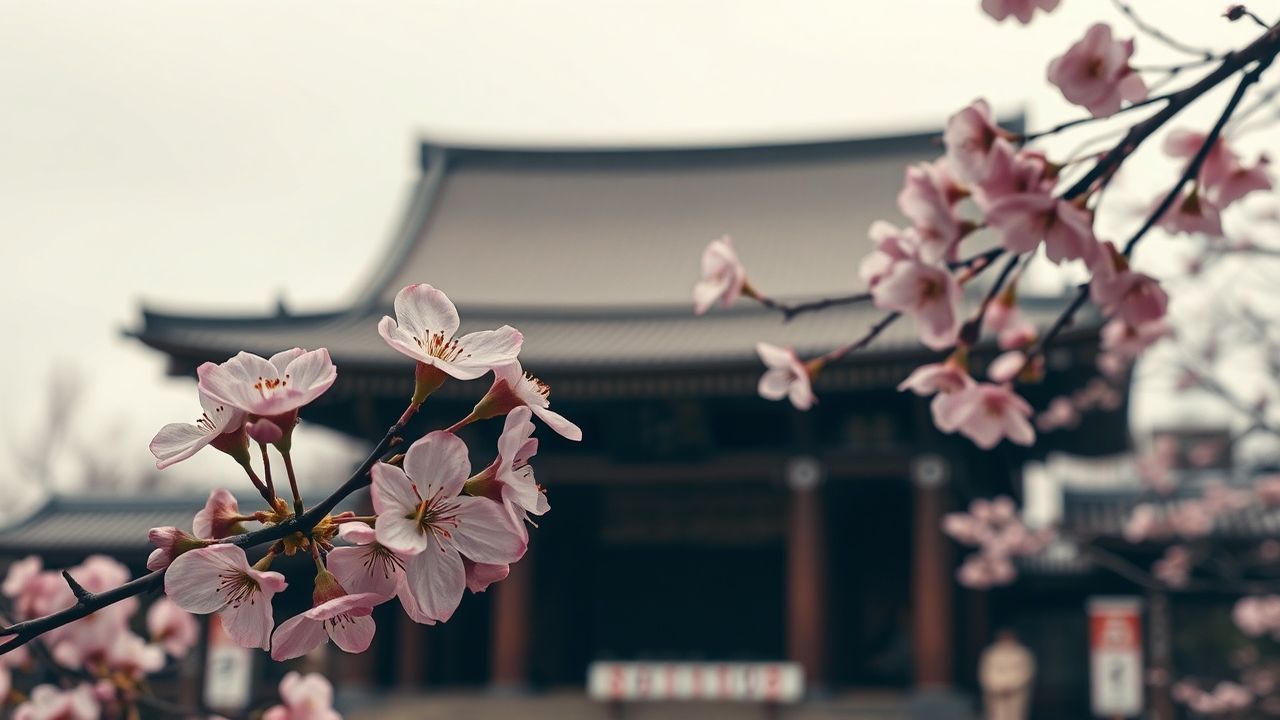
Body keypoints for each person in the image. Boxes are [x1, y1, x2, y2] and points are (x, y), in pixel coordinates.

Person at [979, 628, 1036, 720]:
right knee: (997, 716)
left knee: (1015, 716)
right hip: (996, 693)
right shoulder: (991, 653)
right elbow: (985, 673)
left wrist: (1011, 687)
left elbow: (1026, 673)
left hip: (1016, 693)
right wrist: (996, 687)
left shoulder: (1022, 654)